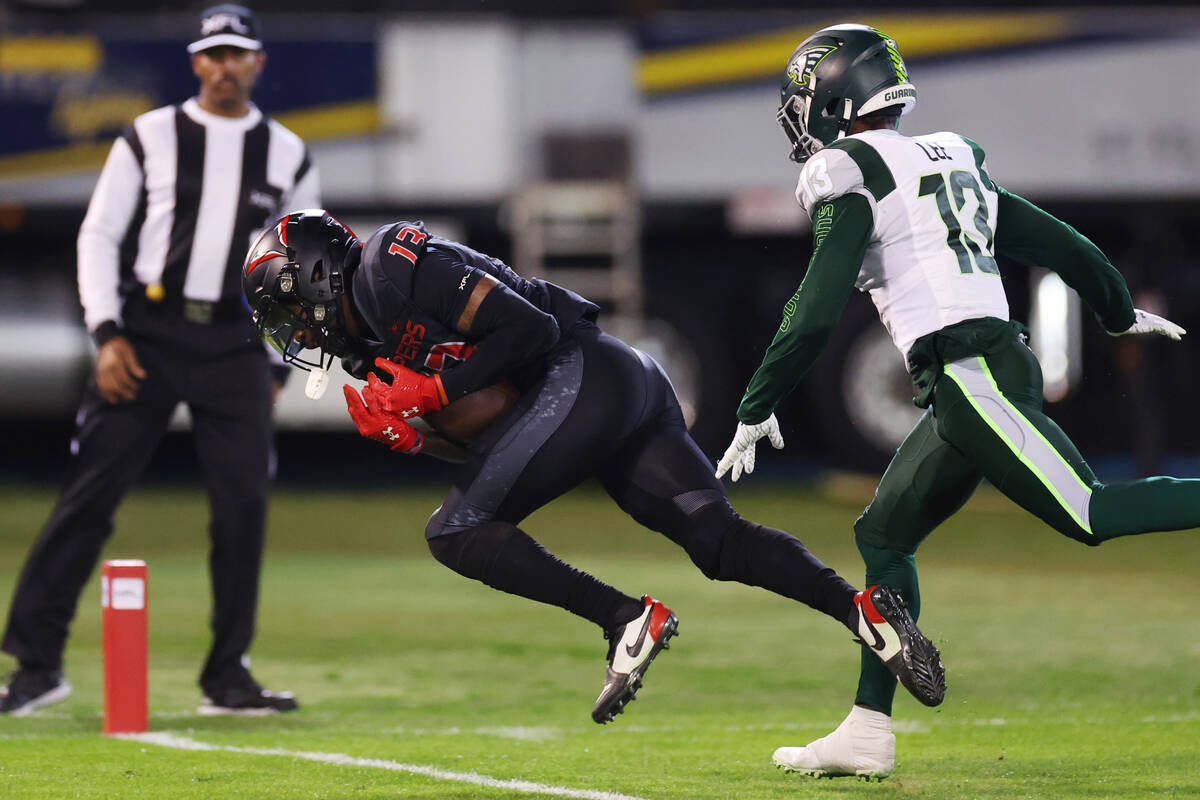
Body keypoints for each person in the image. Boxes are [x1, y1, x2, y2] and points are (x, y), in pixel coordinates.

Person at [715, 22, 1198, 780]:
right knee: (883, 534)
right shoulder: (951, 158)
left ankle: (871, 727)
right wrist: (1112, 309)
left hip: (973, 373)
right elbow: (1061, 242)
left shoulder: (852, 171)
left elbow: (814, 308)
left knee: (1090, 513)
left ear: (836, 102)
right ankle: (868, 730)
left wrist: (756, 401)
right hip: (961, 381)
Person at [239, 209, 948, 724]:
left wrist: (433, 391)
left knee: (453, 532)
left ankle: (624, 619)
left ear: (315, 273)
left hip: (584, 372)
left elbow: (530, 329)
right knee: (717, 541)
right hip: (605, 388)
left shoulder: (389, 264)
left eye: (290, 311)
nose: (295, 332)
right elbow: (491, 438)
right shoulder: (367, 347)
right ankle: (862, 613)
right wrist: (416, 438)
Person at [0, 5, 319, 717]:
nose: (225, 65)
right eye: (214, 53)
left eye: (238, 53)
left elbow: (298, 272)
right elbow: (99, 235)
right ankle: (35, 668)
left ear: (257, 63)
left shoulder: (288, 153)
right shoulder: (149, 136)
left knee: (243, 506)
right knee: (91, 496)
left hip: (235, 342)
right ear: (195, 61)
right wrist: (107, 332)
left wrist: (276, 369)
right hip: (145, 334)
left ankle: (228, 675)